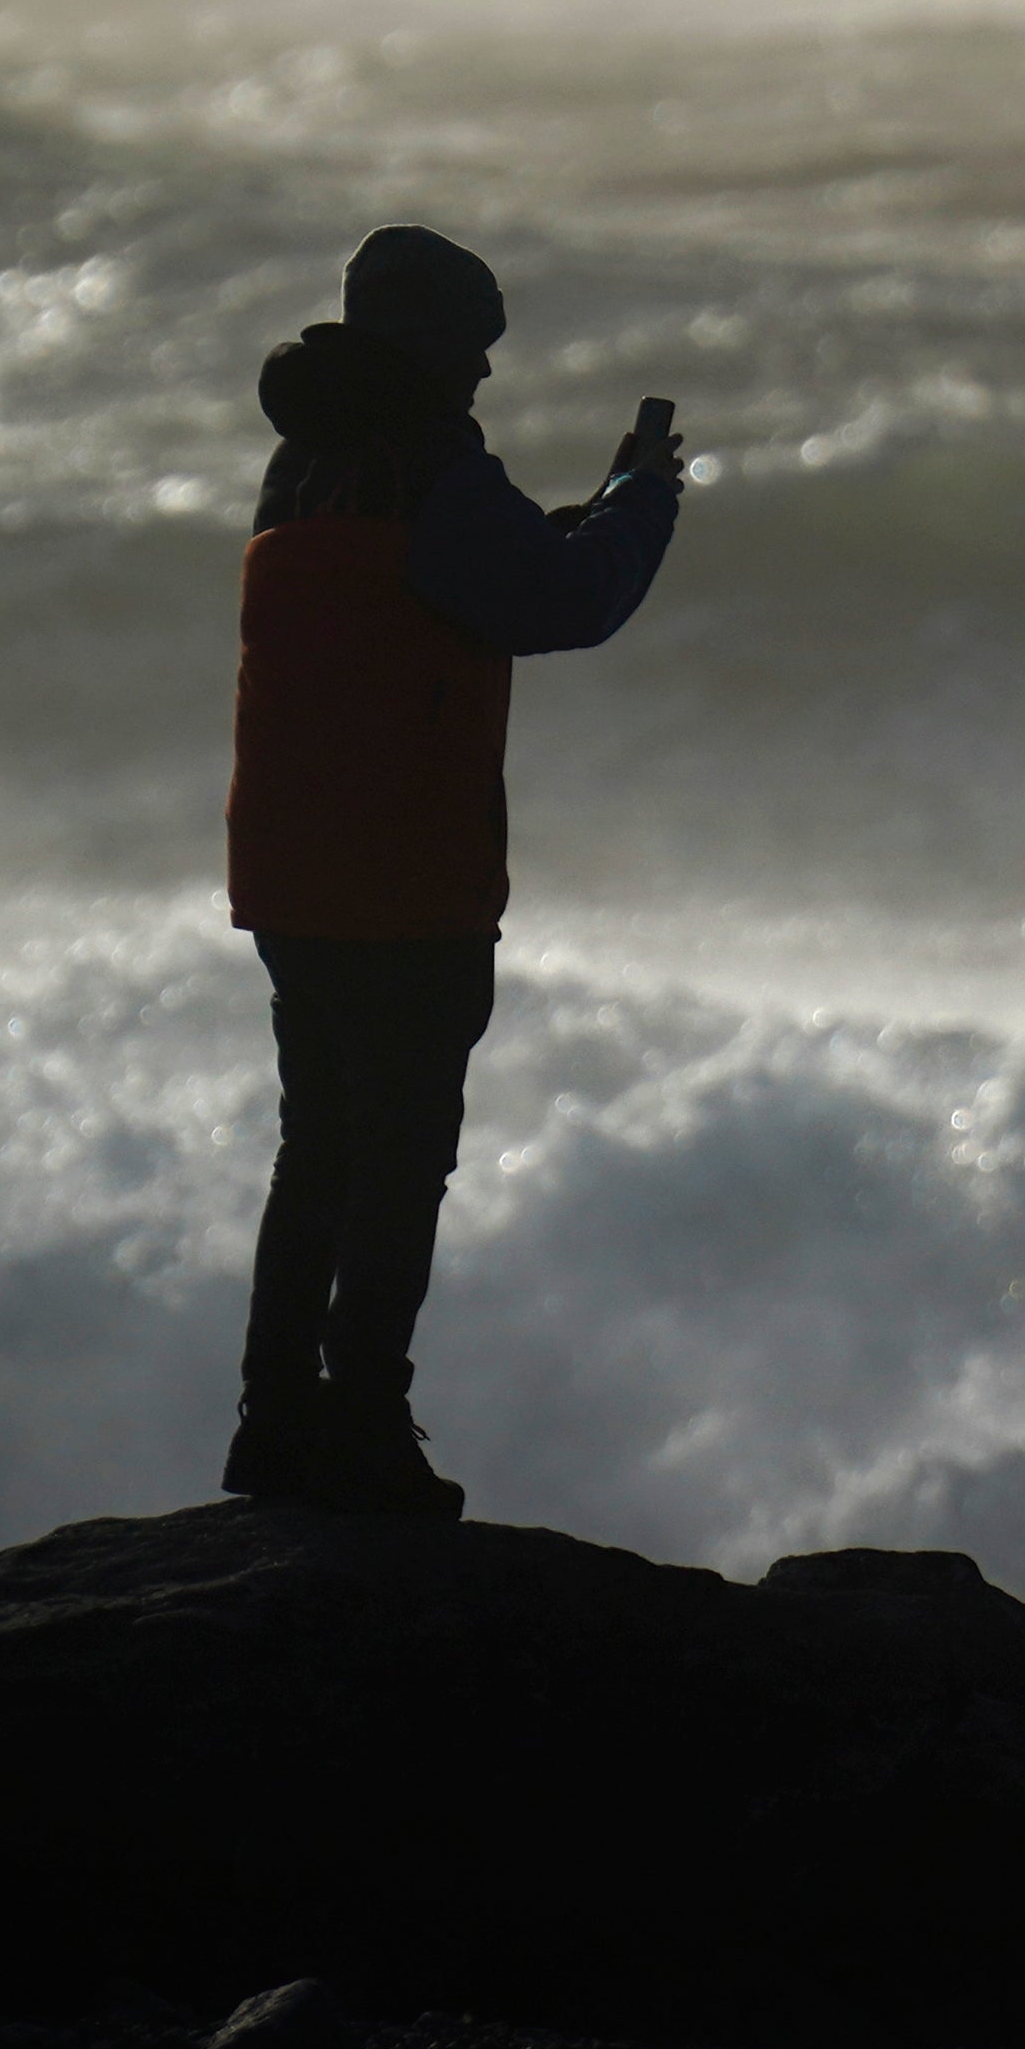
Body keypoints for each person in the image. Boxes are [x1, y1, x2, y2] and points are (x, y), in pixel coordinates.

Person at [220, 223, 682, 1514]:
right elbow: (561, 604)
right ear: (427, 347)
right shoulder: (431, 467)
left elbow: (456, 584)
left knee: (317, 1147)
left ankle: (274, 1423)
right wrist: (646, 501)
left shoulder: (300, 463)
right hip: (405, 887)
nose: (482, 378)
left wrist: (574, 519)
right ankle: (365, 1426)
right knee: (403, 1159)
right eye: (473, 352)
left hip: (293, 876)